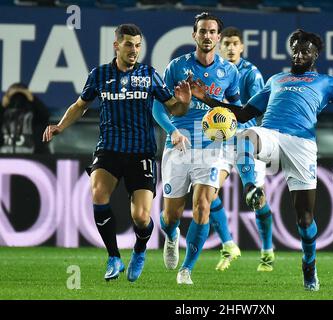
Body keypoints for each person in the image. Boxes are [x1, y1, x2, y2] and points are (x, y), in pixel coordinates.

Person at [189, 28, 333, 291]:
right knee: (244, 135)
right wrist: (207, 98)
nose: (299, 54)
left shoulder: (327, 82)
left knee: (305, 219)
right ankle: (251, 188)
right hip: (270, 134)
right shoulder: (276, 80)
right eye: (295, 48)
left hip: (302, 145)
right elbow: (243, 111)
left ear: (316, 55)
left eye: (305, 50)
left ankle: (309, 263)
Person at [42, 24, 191, 282]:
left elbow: (174, 110)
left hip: (141, 151)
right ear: (116, 46)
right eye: (129, 45)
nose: (134, 50)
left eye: (137, 45)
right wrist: (60, 126)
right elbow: (80, 105)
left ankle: (139, 249)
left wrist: (185, 102)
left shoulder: (149, 75)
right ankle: (113, 257)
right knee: (98, 192)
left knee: (141, 217)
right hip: (109, 147)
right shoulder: (99, 75)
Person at [152, 12, 241, 285]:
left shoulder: (230, 72)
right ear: (194, 35)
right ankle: (171, 234)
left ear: (218, 37)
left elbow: (237, 110)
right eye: (202, 31)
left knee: (203, 204)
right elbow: (158, 107)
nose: (207, 36)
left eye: (212, 31)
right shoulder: (176, 67)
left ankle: (186, 269)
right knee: (170, 216)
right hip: (179, 144)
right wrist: (173, 130)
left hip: (213, 146)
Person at [215, 26, 275, 272]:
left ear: (241, 47)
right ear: (221, 46)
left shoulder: (251, 74)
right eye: (226, 43)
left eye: (234, 43)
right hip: (218, 140)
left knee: (256, 199)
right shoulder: (213, 71)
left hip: (245, 140)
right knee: (208, 193)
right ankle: (229, 245)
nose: (230, 47)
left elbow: (259, 107)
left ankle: (267, 251)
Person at [1, 83, 50, 154]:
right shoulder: (4, 112)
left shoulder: (34, 113)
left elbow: (45, 116)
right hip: (4, 157)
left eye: (21, 95)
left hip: (32, 157)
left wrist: (32, 98)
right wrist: (3, 104)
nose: (17, 98)